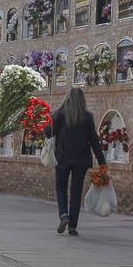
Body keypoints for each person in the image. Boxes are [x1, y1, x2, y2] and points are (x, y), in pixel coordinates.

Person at [46, 87, 107, 237]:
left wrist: (50, 119)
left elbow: (48, 133)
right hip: (81, 159)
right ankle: (72, 226)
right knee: (76, 191)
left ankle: (63, 215)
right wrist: (102, 161)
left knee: (61, 187)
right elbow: (94, 140)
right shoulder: (87, 117)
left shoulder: (60, 114)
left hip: (63, 158)